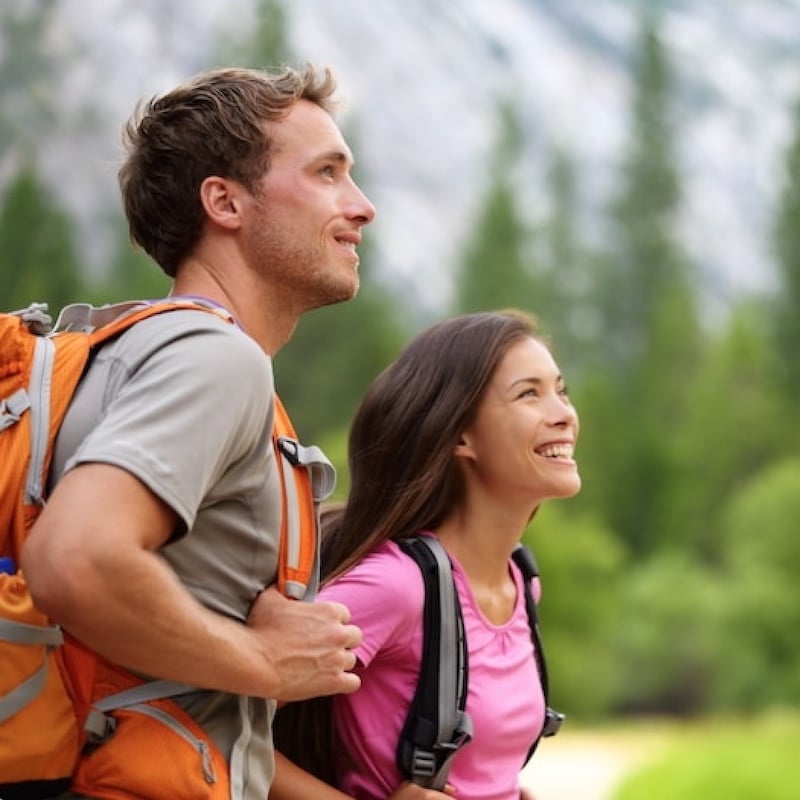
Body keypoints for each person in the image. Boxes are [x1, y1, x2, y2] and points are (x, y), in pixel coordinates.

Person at [20, 63, 375, 799]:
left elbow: (192, 708)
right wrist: (264, 661)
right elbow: (75, 559)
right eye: (328, 173)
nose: (361, 205)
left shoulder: (127, 351)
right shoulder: (217, 358)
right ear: (226, 201)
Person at [270, 309, 581, 800]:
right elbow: (223, 722)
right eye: (529, 394)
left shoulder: (522, 580)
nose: (564, 413)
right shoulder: (397, 588)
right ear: (461, 436)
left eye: (560, 390)